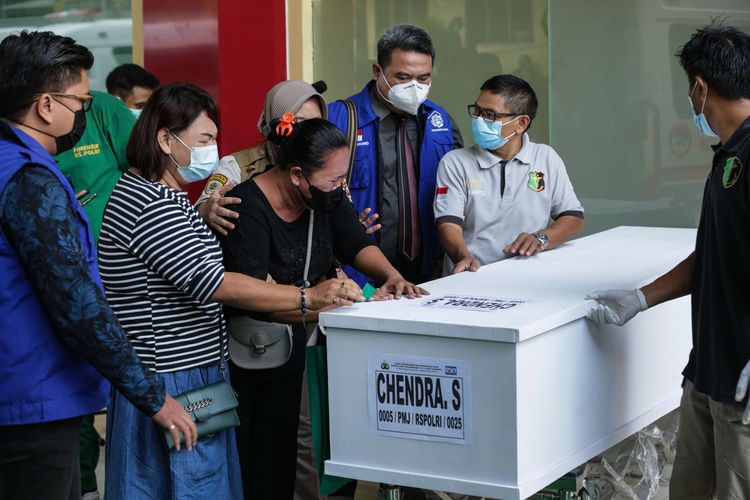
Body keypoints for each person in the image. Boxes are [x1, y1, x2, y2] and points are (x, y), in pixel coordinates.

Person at [99, 83, 361, 499]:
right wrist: (308, 297)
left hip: (190, 372)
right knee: (182, 486)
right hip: (170, 377)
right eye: (204, 139)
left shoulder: (165, 195)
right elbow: (214, 282)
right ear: (165, 138)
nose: (212, 149)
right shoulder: (151, 203)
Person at [0, 30, 195, 500]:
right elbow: (76, 304)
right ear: (47, 105)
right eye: (82, 102)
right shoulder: (30, 179)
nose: (86, 113)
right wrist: (152, 397)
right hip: (32, 406)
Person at [217, 117, 427, 500]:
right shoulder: (247, 207)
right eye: (333, 180)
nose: (340, 188)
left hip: (316, 345)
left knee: (327, 449)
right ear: (297, 174)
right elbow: (254, 299)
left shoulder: (326, 198)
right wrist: (330, 306)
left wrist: (392, 276)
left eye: (344, 177)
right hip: (265, 354)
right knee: (269, 459)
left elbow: (357, 242)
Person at [586, 25, 750, 499]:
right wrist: (642, 297)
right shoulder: (727, 155)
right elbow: (718, 255)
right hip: (708, 373)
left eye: (688, 89)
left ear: (699, 87)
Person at [328, 24, 463, 286]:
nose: (414, 87)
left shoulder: (441, 122)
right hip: (359, 278)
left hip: (429, 276)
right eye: (402, 77)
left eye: (423, 78)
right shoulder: (340, 119)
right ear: (378, 70)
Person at [434, 75, 584, 275]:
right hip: (471, 276)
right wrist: (463, 256)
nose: (479, 120)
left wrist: (542, 238)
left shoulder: (546, 158)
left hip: (530, 276)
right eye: (477, 111)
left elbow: (573, 218)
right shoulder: (455, 162)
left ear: (521, 123)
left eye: (489, 115)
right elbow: (448, 224)